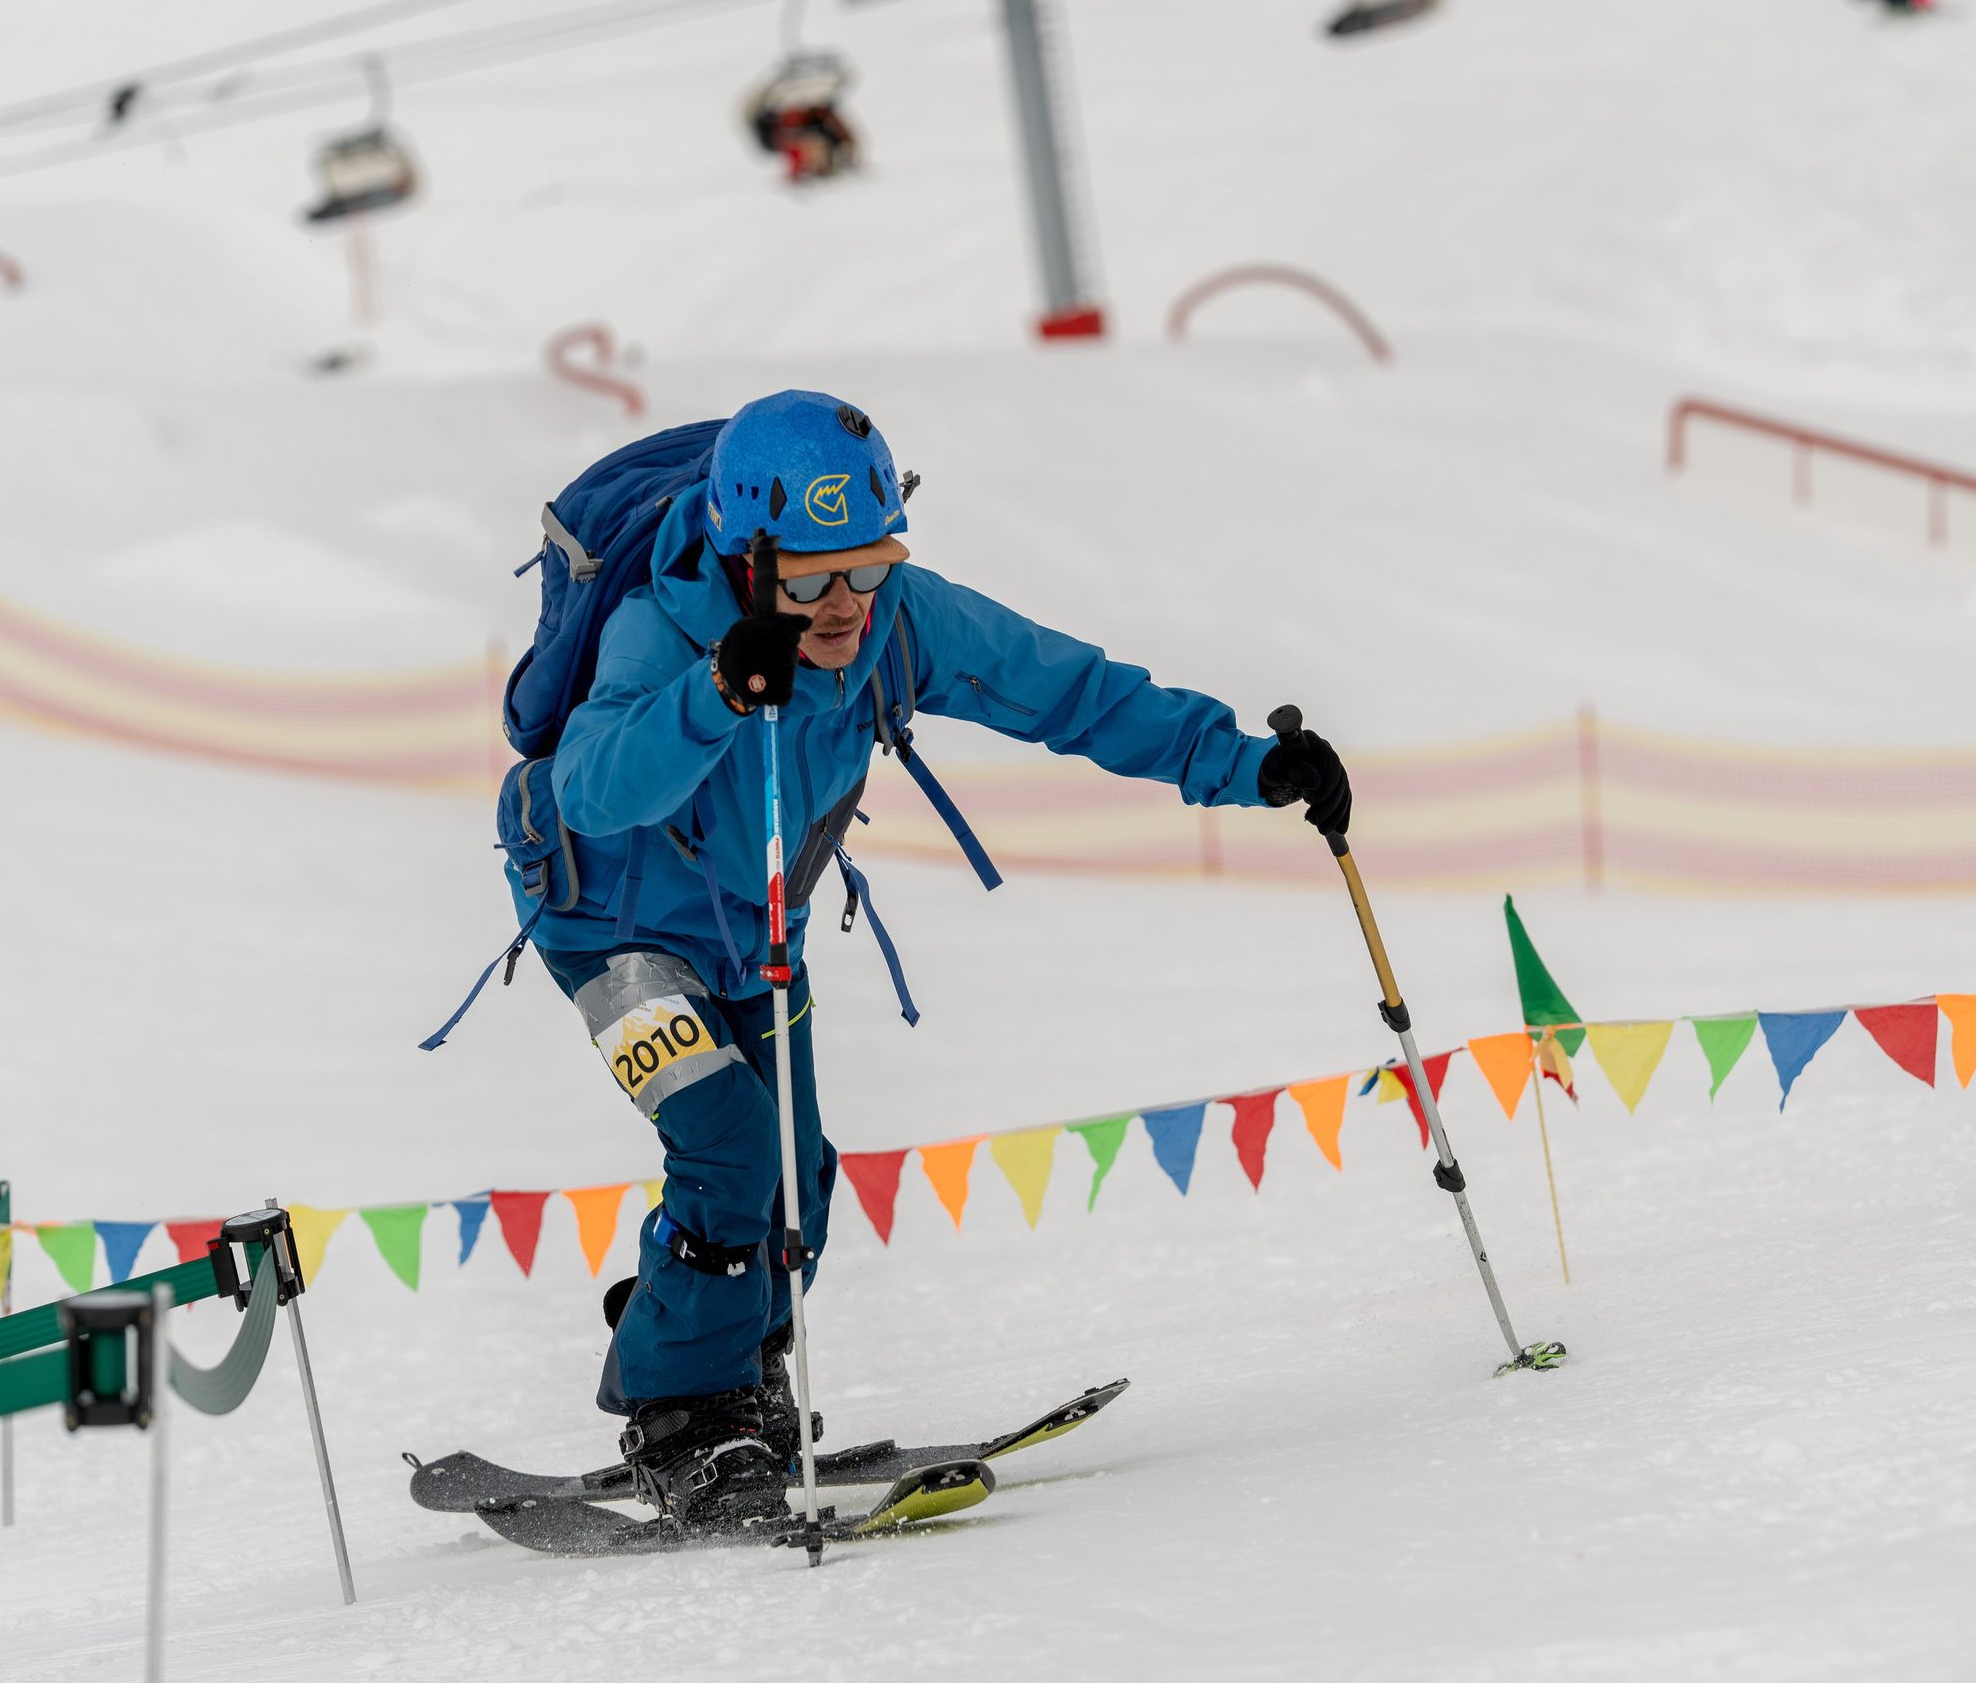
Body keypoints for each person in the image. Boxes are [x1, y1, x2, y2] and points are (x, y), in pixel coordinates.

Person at [518, 389, 1352, 1529]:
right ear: (742, 556)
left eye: (865, 568)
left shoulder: (899, 621)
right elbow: (595, 787)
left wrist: (1243, 765)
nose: (843, 606)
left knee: (797, 1171)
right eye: (809, 582)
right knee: (726, 1144)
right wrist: (714, 695)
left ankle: (736, 1382)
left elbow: (1067, 690)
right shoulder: (659, 628)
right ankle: (682, 1414)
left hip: (758, 930)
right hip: (606, 925)